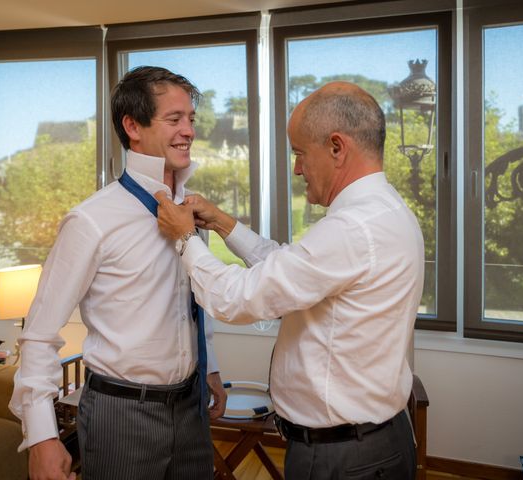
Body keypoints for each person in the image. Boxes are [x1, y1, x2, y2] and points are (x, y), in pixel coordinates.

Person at [155, 81, 424, 480]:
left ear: (337, 147)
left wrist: (184, 239)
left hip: (344, 458)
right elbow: (291, 268)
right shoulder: (382, 210)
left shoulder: (353, 229)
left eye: (300, 154)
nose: (297, 168)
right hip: (368, 445)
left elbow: (236, 298)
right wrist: (226, 225)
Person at [9, 66, 227, 480]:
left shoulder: (192, 212)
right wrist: (41, 436)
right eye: (174, 119)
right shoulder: (91, 220)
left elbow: (192, 298)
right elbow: (38, 333)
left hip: (191, 407)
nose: (189, 131)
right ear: (133, 126)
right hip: (122, 413)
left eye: (191, 119)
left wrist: (210, 366)